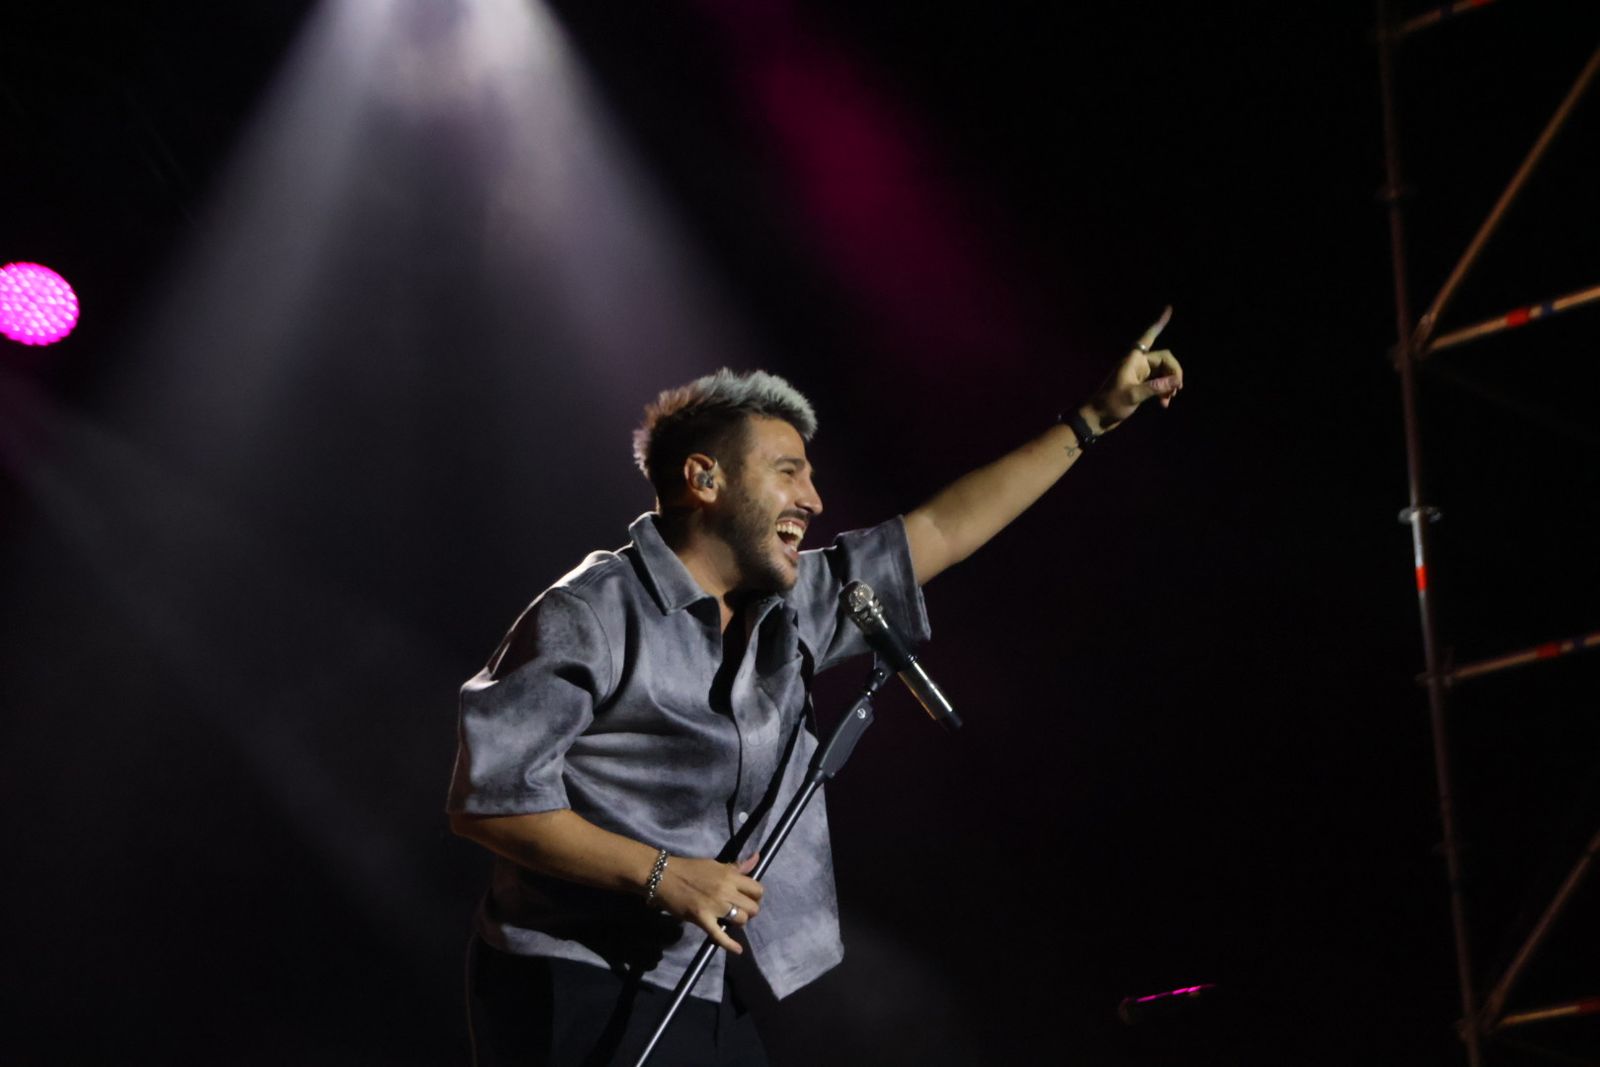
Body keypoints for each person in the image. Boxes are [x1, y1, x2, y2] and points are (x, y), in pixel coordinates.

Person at [447, 311, 1182, 1066]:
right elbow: (488, 799)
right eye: (787, 470)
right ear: (705, 477)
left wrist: (1092, 420)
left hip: (692, 981)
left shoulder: (794, 606)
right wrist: (665, 875)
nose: (814, 498)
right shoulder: (592, 613)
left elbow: (939, 530)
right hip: (563, 978)